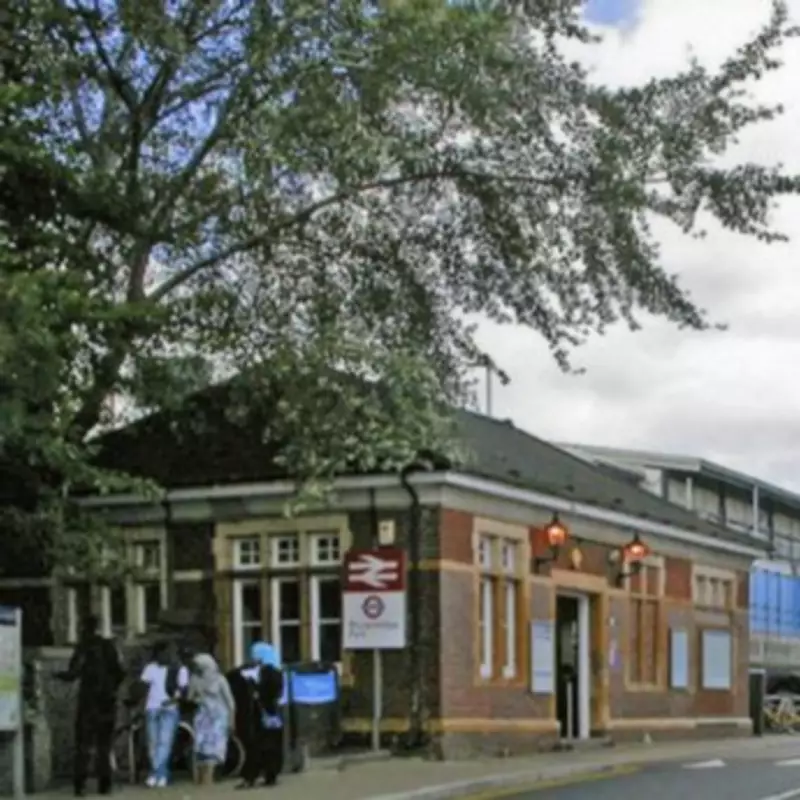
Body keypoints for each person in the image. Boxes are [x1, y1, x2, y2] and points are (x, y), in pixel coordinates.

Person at [57, 614, 125, 797]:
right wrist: (111, 689)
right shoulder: (109, 647)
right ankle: (105, 784)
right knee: (104, 745)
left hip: (88, 703)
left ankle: (80, 785)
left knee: (83, 746)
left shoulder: (83, 647)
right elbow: (120, 673)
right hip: (107, 703)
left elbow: (73, 672)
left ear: (83, 628)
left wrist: (57, 675)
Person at [139, 640, 189, 788]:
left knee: (164, 742)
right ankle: (160, 773)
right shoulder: (151, 668)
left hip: (169, 708)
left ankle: (157, 773)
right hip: (152, 707)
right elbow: (143, 688)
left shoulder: (180, 669)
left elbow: (183, 690)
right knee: (153, 743)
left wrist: (174, 699)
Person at [236, 641, 285, 789]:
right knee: (273, 746)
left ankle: (251, 776)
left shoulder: (265, 672)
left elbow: (262, 692)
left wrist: (253, 686)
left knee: (258, 745)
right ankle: (271, 775)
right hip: (275, 714)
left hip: (261, 714)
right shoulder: (278, 671)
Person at [188, 653, 235, 786]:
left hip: (218, 718)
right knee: (200, 746)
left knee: (215, 747)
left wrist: (232, 720)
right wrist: (198, 699)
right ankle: (200, 778)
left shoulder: (220, 680)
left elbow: (230, 702)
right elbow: (190, 698)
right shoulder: (195, 679)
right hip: (202, 717)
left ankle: (209, 778)